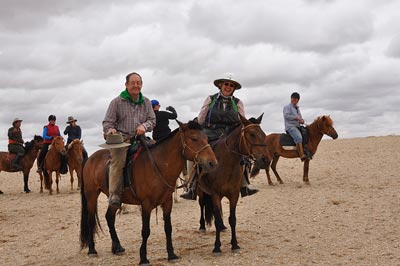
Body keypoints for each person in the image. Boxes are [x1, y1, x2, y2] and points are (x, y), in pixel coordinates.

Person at [180, 73, 258, 200]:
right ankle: (192, 186)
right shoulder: (210, 100)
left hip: (230, 136)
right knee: (194, 154)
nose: (228, 87)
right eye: (226, 84)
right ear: (221, 85)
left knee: (245, 154)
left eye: (231, 85)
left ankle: (244, 185)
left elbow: (242, 120)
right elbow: (201, 119)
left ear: (233, 88)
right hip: (211, 134)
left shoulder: (238, 103)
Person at [102, 72, 156, 208]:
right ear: (126, 85)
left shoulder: (146, 102)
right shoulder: (116, 102)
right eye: (133, 83)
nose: (136, 85)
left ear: (141, 85)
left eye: (138, 83)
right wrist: (110, 130)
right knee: (118, 161)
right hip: (122, 140)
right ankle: (114, 194)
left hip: (140, 138)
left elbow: (152, 120)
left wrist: (144, 126)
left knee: (158, 153)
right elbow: (107, 122)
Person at [283, 92, 307, 160]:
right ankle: (301, 155)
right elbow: (286, 116)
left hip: (297, 126)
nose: (294, 101)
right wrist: (295, 118)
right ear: (291, 99)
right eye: (293, 99)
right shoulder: (287, 107)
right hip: (290, 126)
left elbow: (300, 117)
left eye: (296, 100)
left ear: (297, 100)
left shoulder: (297, 108)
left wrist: (301, 120)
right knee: (299, 138)